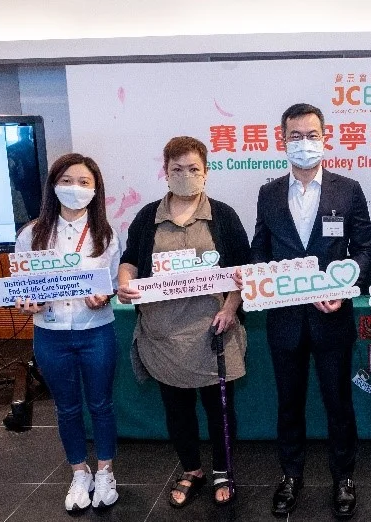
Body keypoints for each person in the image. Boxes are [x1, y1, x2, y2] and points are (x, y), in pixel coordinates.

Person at [245, 103, 371, 519]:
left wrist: (345, 285)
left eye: (311, 135)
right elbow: (260, 247)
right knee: (289, 403)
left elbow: (365, 251)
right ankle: (291, 475)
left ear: (326, 137)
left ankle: (344, 477)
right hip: (284, 320)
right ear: (282, 141)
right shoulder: (268, 192)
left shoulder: (347, 189)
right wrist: (261, 276)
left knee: (338, 402)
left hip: (332, 316)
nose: (304, 143)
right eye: (295, 136)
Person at [116, 136, 250, 508]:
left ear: (206, 173)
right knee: (177, 409)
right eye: (177, 169)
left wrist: (230, 306)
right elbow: (130, 260)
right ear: (166, 173)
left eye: (193, 168)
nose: (185, 175)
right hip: (163, 334)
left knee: (219, 408)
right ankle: (191, 469)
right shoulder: (147, 217)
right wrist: (124, 282)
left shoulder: (223, 215)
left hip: (212, 332)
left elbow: (242, 270)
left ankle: (223, 469)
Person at [14, 153, 121, 513]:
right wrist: (27, 303)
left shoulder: (105, 233)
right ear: (53, 186)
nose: (75, 189)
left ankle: (106, 470)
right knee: (67, 407)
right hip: (51, 334)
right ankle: (79, 471)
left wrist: (104, 295)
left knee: (102, 404)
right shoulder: (32, 234)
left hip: (96, 331)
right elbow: (22, 288)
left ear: (96, 190)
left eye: (84, 183)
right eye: (67, 181)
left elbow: (113, 283)